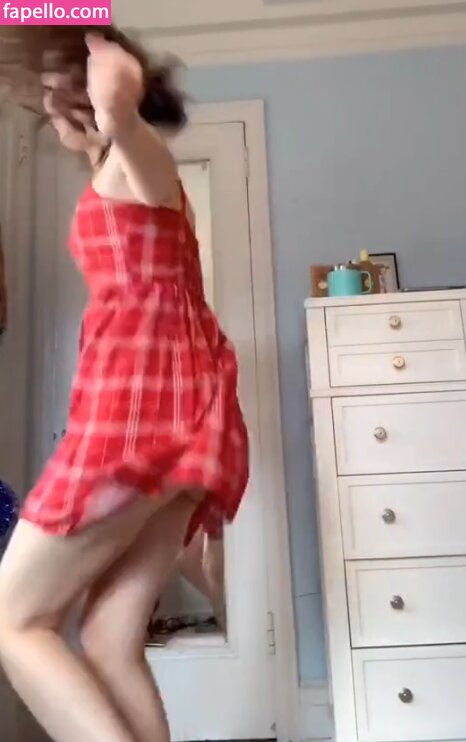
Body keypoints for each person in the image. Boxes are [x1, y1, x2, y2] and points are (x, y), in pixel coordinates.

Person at [0, 25, 249, 742]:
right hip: (187, 416)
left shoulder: (138, 158)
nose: (50, 110)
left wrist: (114, 97)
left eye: (56, 93)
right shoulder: (113, 171)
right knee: (109, 639)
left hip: (140, 414)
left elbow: (128, 133)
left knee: (15, 620)